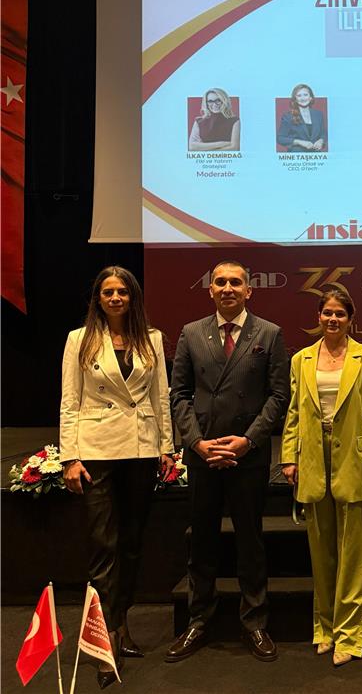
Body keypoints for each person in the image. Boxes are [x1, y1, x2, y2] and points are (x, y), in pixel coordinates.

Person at [166, 260, 290, 663]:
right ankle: (198, 620)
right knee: (202, 541)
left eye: (235, 282)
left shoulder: (269, 333)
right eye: (220, 282)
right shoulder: (191, 333)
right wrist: (197, 443)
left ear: (249, 290)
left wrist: (248, 441)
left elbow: (278, 397)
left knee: (250, 541)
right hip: (203, 454)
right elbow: (179, 395)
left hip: (247, 456)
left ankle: (255, 622)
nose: (228, 288)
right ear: (210, 290)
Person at [60, 266, 174, 688]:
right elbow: (69, 400)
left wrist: (167, 447)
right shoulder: (79, 339)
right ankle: (103, 639)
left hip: (141, 448)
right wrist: (70, 457)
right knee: (102, 545)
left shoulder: (152, 338)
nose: (114, 298)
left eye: (122, 291)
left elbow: (161, 395)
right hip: (97, 450)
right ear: (97, 298)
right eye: (107, 291)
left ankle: (121, 624)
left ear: (132, 297)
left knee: (131, 543)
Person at [281, 291, 362, 667]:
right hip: (312, 459)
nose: (333, 319)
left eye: (340, 313)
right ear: (318, 316)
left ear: (350, 318)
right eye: (327, 312)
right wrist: (289, 457)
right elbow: (294, 411)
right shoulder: (301, 359)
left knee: (354, 556)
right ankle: (325, 629)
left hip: (355, 461)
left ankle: (351, 634)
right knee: (321, 552)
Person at [277, 84, 327, 152]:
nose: (303, 98)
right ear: (295, 99)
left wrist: (321, 141)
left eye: (305, 95)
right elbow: (280, 138)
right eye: (299, 95)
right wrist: (299, 142)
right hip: (297, 154)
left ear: (311, 97)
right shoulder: (288, 116)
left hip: (315, 154)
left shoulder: (318, 114)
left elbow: (323, 134)